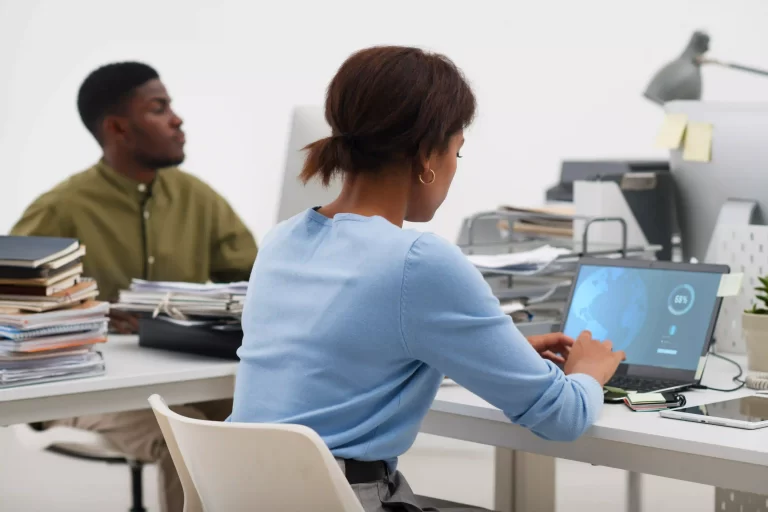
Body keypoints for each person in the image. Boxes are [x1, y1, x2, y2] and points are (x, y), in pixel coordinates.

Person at [229, 45, 625, 512]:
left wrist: (503, 351)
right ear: (427, 156)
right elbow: (562, 416)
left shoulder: (281, 239)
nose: (455, 167)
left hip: (244, 493)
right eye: (458, 151)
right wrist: (587, 373)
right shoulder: (418, 259)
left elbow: (351, 355)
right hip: (340, 500)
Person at [11, 62, 258, 512]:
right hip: (82, 387)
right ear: (118, 127)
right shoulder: (60, 208)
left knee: (266, 424)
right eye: (159, 108)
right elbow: (11, 305)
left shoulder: (196, 197)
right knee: (186, 438)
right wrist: (88, 312)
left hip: (180, 372)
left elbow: (256, 282)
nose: (177, 119)